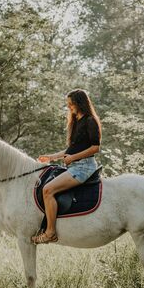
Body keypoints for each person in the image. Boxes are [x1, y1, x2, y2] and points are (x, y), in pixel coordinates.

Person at [32, 88, 102, 245]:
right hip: (74, 166)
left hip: (84, 167)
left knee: (47, 190)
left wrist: (73, 158)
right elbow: (72, 149)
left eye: (71, 104)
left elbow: (95, 148)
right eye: (68, 104)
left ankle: (50, 232)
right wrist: (51, 157)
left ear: (79, 103)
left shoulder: (90, 120)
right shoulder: (77, 122)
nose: (69, 107)